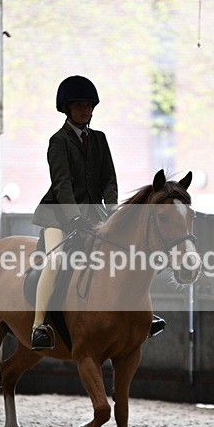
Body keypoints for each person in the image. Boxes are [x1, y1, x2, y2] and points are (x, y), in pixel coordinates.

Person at [29, 75, 165, 350]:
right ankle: (39, 325)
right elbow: (62, 183)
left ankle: (139, 317)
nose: (85, 111)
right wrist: (74, 218)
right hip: (58, 215)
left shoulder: (99, 139)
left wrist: (113, 211)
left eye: (89, 106)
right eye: (79, 106)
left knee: (125, 254)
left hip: (93, 214)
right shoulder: (59, 141)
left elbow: (109, 180)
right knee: (55, 262)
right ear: (67, 109)